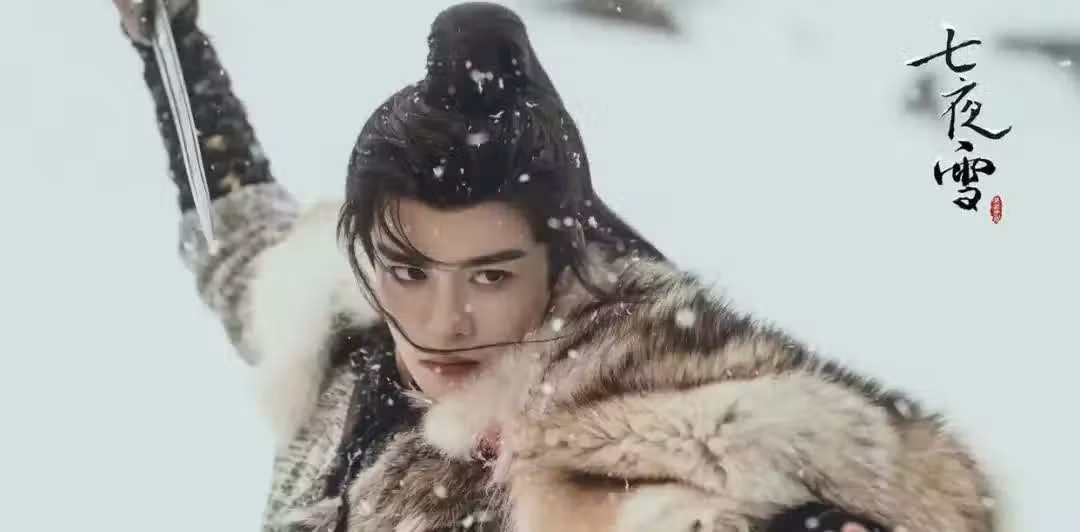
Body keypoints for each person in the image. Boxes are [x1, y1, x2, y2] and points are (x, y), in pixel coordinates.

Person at [114, 1, 1000, 531]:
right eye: (410, 270)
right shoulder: (346, 340)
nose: (443, 321)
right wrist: (173, 48)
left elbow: (721, 476)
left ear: (561, 263)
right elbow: (241, 238)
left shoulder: (618, 398)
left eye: (492, 275)